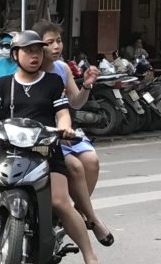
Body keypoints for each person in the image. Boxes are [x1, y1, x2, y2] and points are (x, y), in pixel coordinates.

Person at [0, 31, 102, 264]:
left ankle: (89, 255)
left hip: (45, 150)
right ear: (16, 55)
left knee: (60, 201)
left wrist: (65, 127)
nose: (34, 56)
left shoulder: (51, 83)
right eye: (28, 51)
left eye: (38, 51)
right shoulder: (4, 83)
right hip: (10, 149)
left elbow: (62, 113)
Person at [40, 20, 113, 248]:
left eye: (58, 41)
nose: (56, 46)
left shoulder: (62, 68)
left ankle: (76, 213)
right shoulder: (30, 67)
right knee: (75, 167)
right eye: (49, 42)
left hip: (66, 131)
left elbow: (75, 103)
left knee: (91, 161)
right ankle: (91, 219)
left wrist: (87, 85)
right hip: (44, 134)